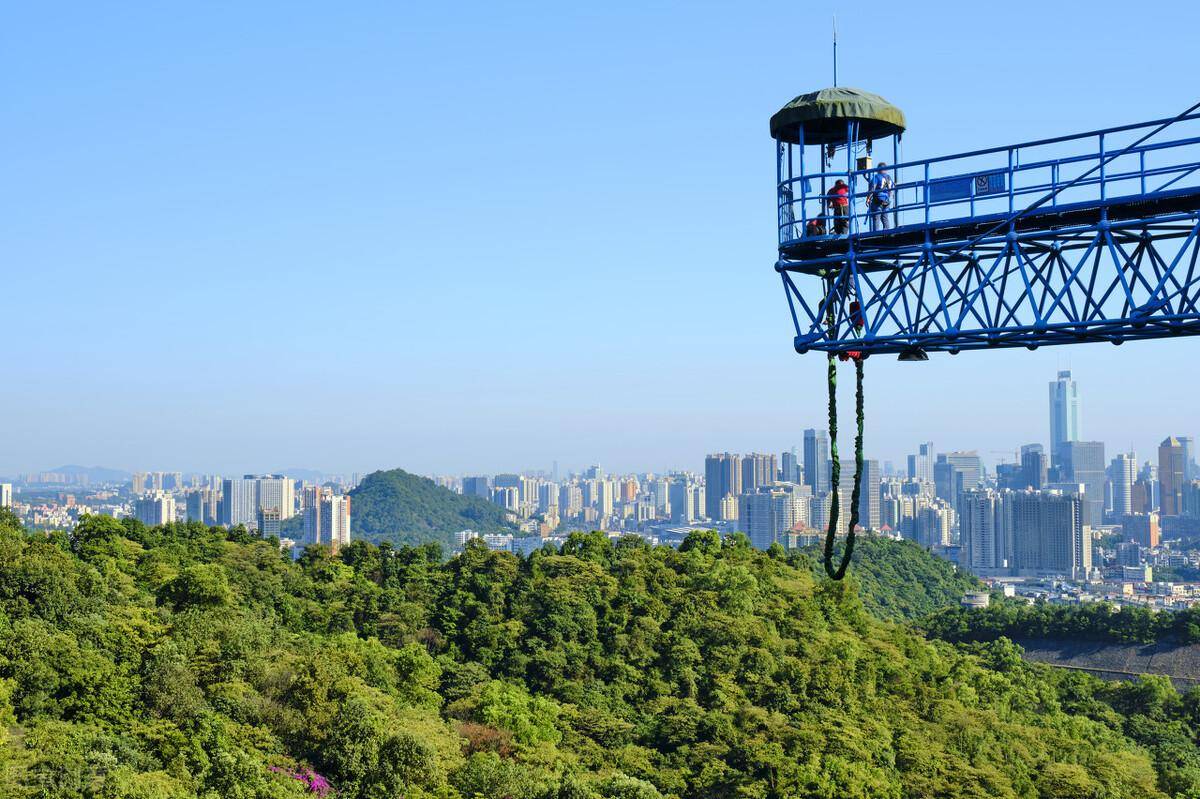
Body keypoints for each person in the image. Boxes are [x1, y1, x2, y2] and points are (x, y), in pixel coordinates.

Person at [867, 163, 894, 232]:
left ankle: (876, 233)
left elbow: (872, 188)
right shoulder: (889, 177)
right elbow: (891, 189)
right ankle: (887, 231)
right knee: (885, 217)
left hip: (877, 200)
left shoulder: (877, 177)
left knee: (876, 217)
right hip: (886, 200)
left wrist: (868, 198)